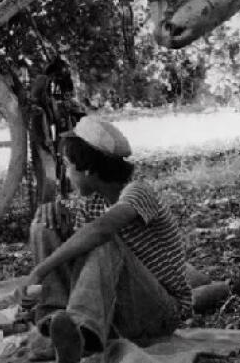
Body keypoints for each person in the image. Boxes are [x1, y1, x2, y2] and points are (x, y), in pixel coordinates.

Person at [19, 115, 221, 363]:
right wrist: (50, 213)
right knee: (46, 224)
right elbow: (78, 246)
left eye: (69, 166)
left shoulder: (139, 192)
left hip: (157, 315)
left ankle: (80, 328)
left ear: (88, 169)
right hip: (118, 311)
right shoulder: (92, 203)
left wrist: (40, 270)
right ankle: (53, 328)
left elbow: (101, 230)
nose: (67, 175)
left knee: (103, 241)